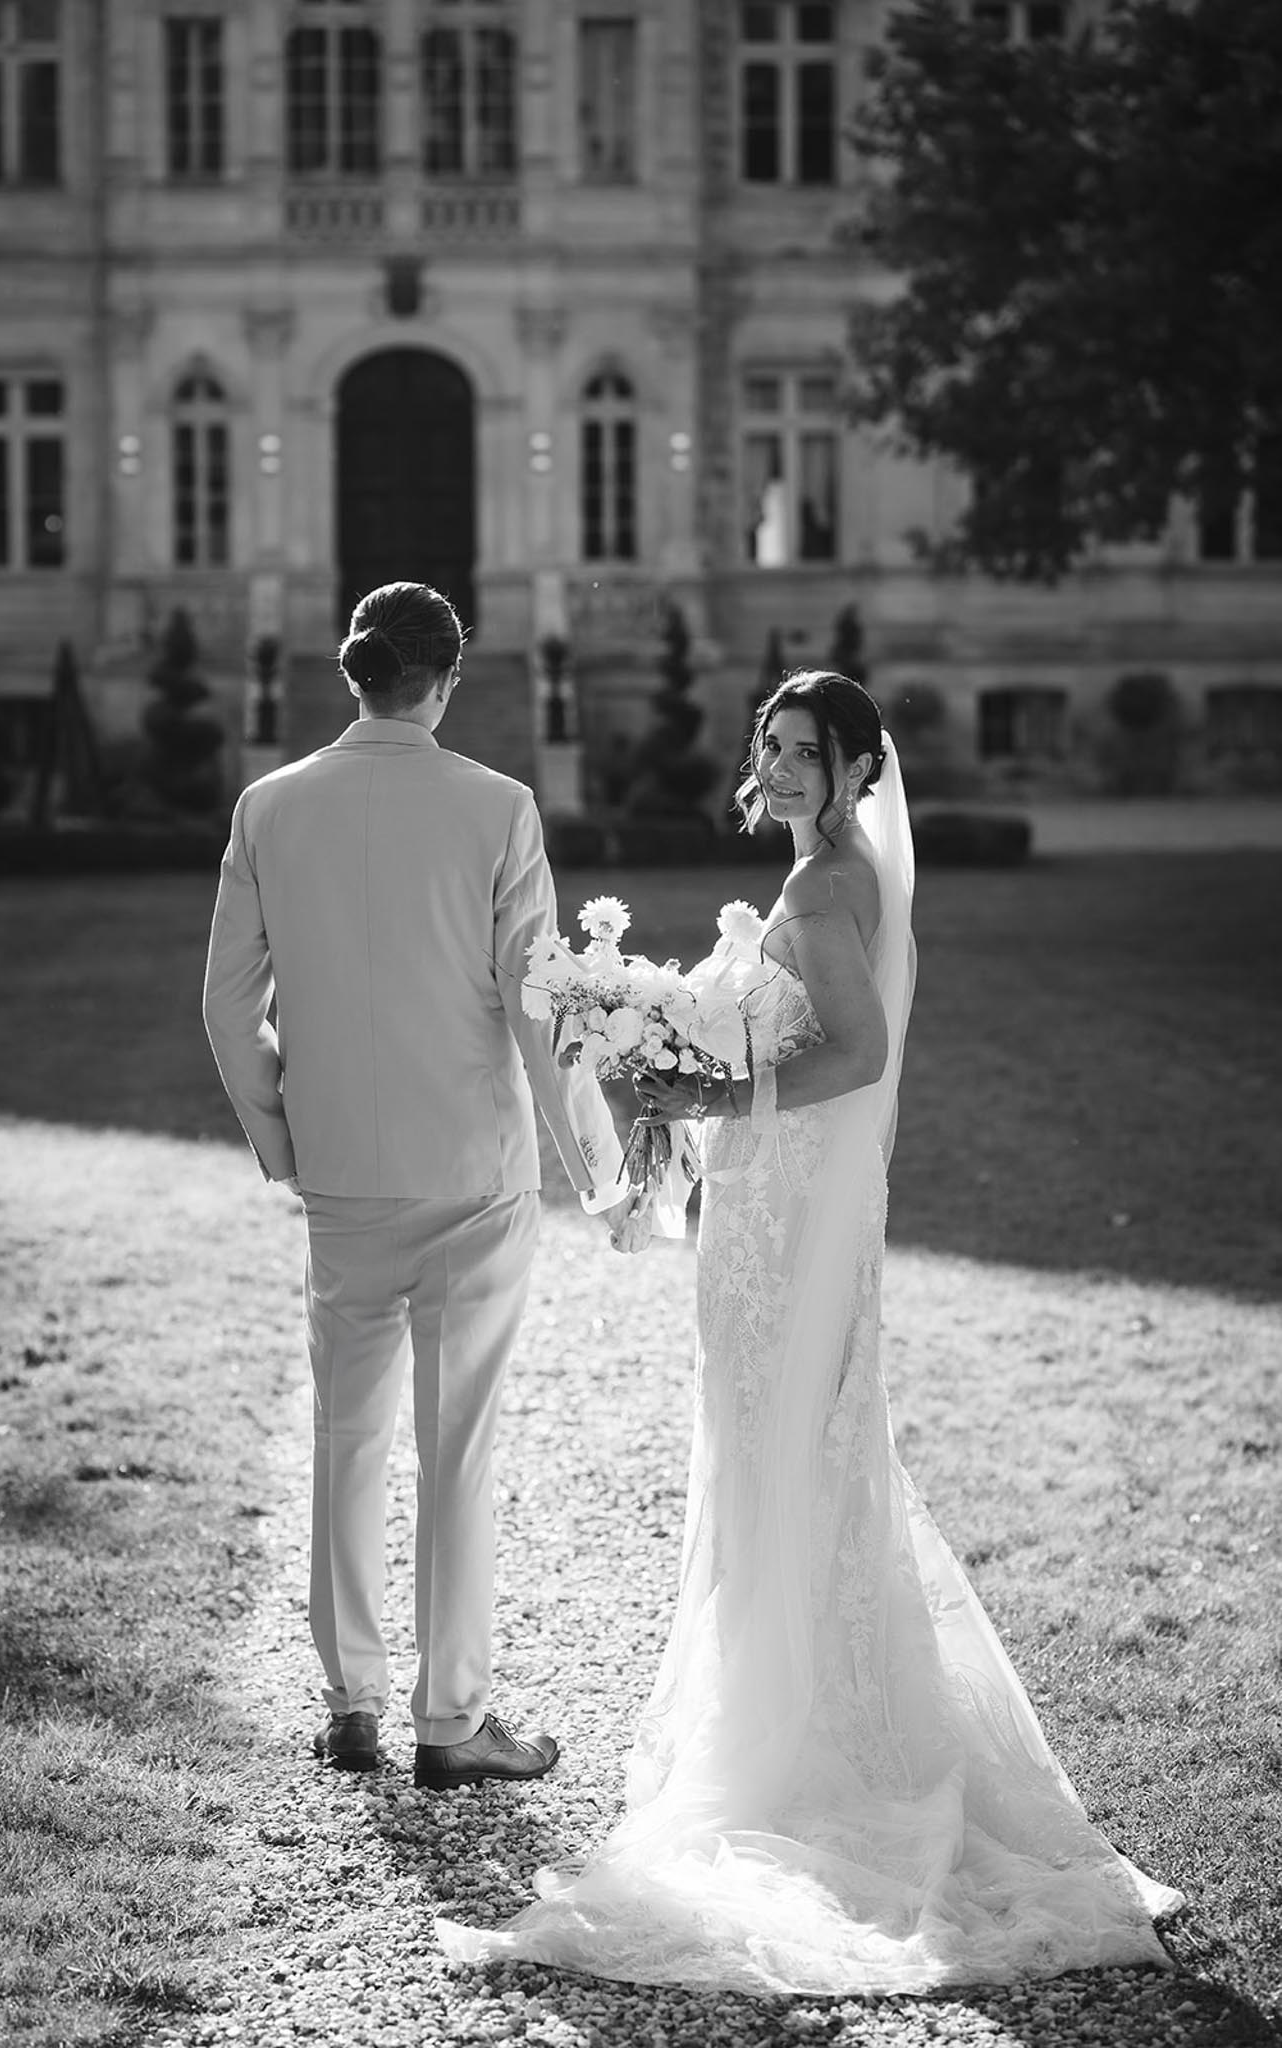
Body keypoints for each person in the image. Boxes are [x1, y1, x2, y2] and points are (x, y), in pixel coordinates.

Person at [438, 671, 1183, 1993]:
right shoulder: (821, 881)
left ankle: (801, 1753)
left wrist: (707, 1086)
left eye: (804, 752)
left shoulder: (822, 889)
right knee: (788, 1468)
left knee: (786, 1465)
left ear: (853, 774)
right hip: (772, 1215)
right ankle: (819, 1713)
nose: (777, 767)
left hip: (787, 1223)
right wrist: (680, 1067)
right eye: (769, 745)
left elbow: (855, 1053)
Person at [202, 581, 628, 1791]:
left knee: (346, 1433)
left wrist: (286, 1140)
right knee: (456, 1444)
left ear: (354, 677)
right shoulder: (497, 807)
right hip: (470, 1172)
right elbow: (536, 1008)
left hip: (341, 1171)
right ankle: (452, 1720)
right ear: (447, 678)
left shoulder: (269, 805)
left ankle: (348, 1704)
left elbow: (229, 1007)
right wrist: (596, 1165)